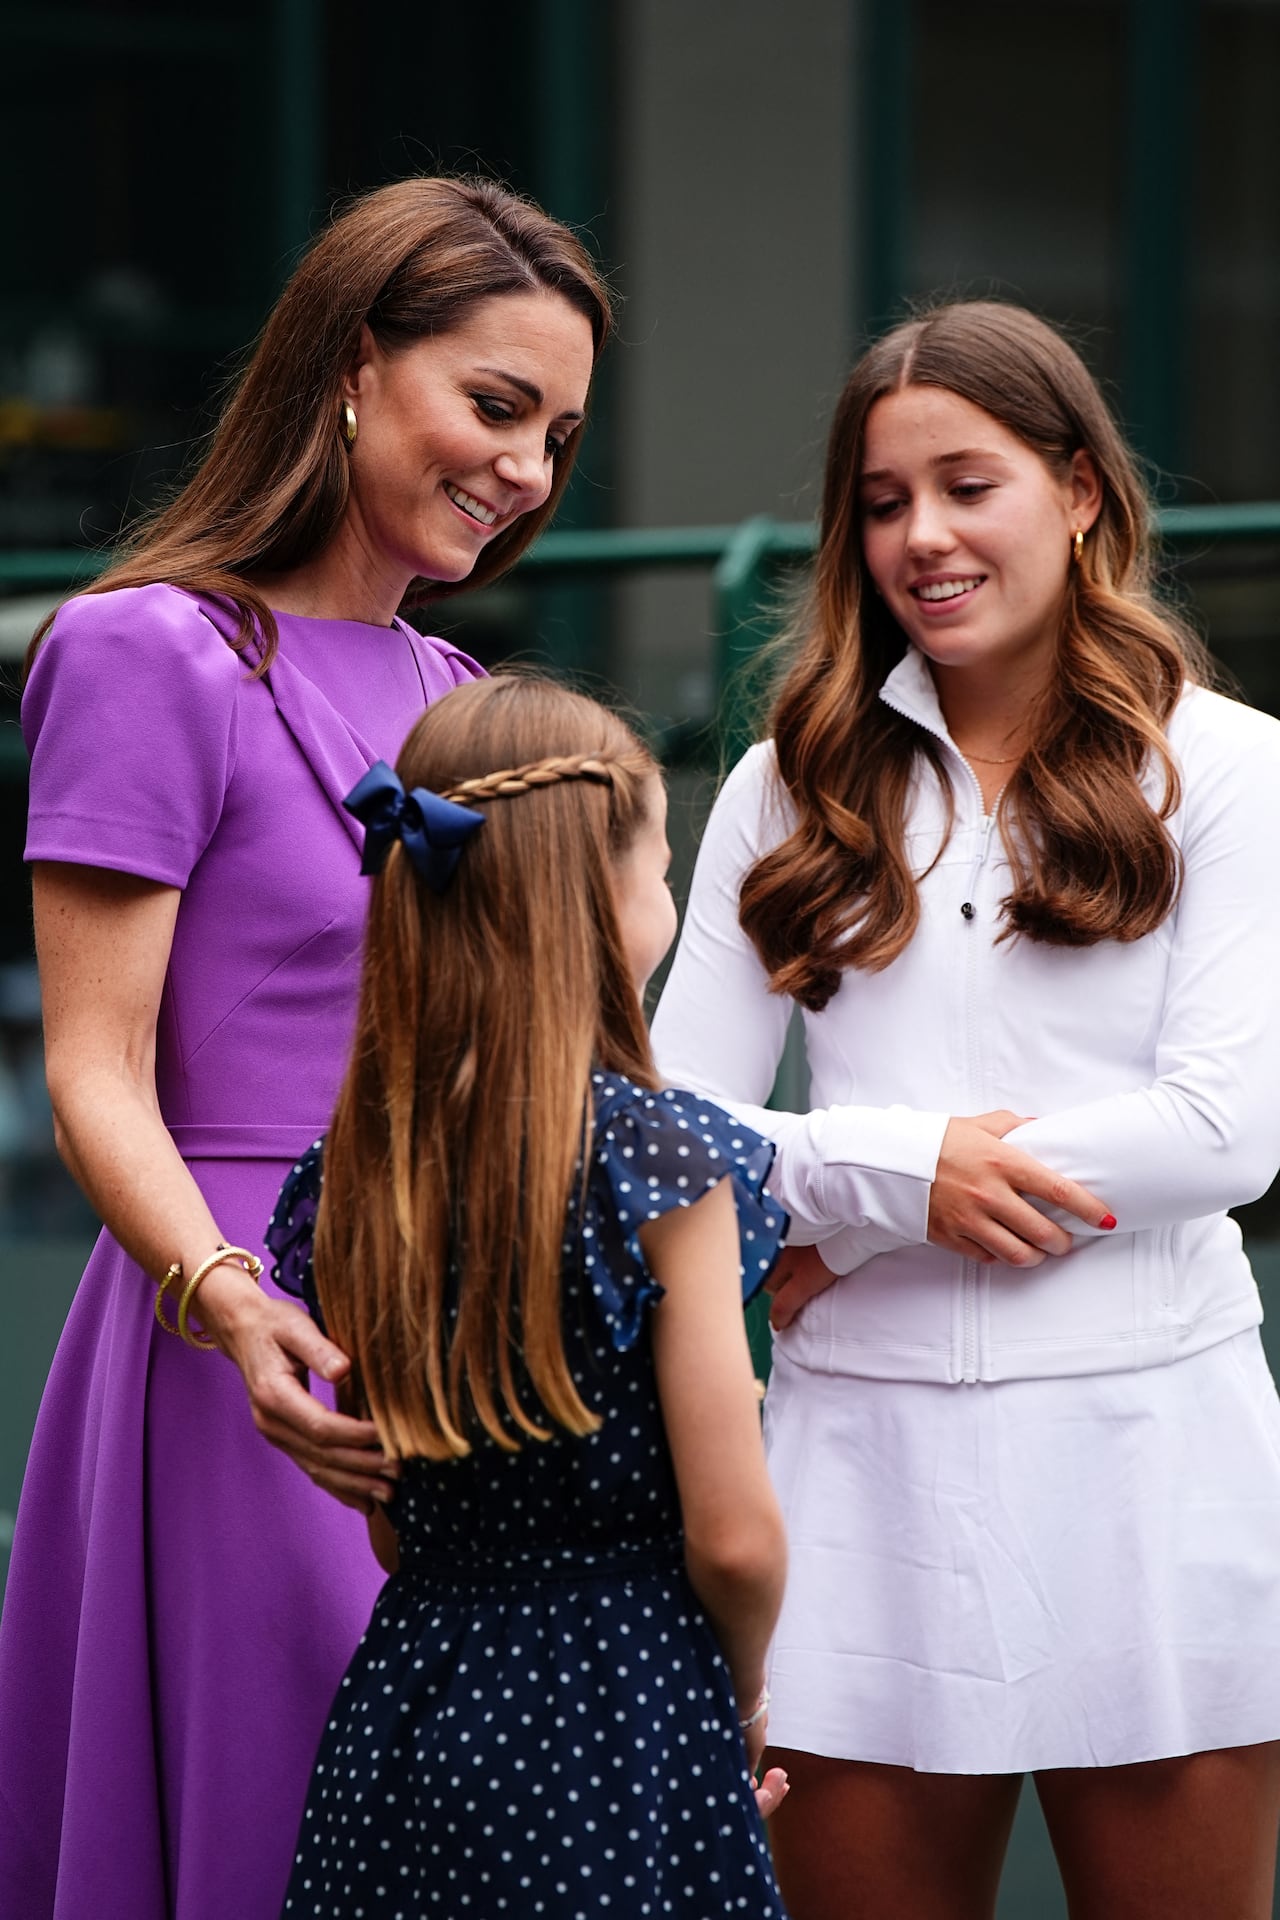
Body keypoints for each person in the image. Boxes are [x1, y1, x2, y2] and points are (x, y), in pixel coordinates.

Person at [0, 176, 610, 1920]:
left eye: (558, 436)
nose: (526, 472)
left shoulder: (451, 682)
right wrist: (226, 1299)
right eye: (494, 407)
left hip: (461, 1324)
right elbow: (98, 1070)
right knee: (283, 1814)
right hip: (251, 1337)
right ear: (352, 363)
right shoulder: (148, 651)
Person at [651, 299, 1280, 1920]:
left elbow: (1223, 1132)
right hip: (858, 1476)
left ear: (1078, 491)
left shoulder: (1228, 767)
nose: (920, 536)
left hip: (1154, 1461)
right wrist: (885, 1173)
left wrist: (845, 1232)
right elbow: (656, 1132)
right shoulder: (783, 783)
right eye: (879, 501)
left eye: (967, 484)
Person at [262, 673, 791, 1917]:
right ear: (600, 901)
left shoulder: (352, 1177)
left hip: (405, 1720)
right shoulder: (663, 1163)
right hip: (624, 1707)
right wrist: (742, 1702)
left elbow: (395, 1523)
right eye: (659, 868)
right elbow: (734, 1537)